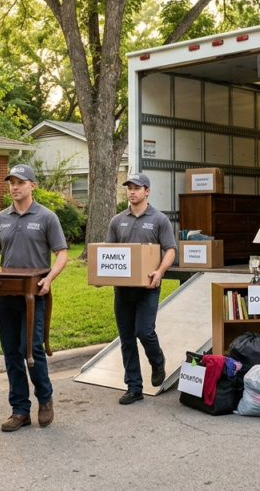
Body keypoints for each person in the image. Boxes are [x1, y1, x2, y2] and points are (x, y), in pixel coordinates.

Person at [0, 164, 67, 432]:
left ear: (32, 185)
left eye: (20, 182)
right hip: (6, 296)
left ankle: (45, 399)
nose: (14, 187)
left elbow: (61, 254)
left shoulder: (46, 217)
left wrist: (48, 279)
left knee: (31, 350)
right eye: (11, 183)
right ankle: (20, 410)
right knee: (11, 353)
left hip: (34, 296)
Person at [105, 173, 176, 405]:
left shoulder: (159, 220)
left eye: (137, 188)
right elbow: (108, 254)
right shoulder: (117, 221)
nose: (132, 191)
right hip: (123, 289)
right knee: (126, 338)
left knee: (144, 332)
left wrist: (159, 272)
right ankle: (134, 387)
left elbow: (170, 250)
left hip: (148, 287)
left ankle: (157, 361)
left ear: (147, 191)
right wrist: (101, 275)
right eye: (129, 188)